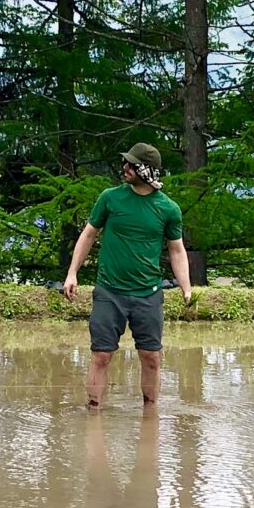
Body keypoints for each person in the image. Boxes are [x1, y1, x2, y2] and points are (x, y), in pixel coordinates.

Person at [63, 141, 194, 410]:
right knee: (101, 355)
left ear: (146, 170)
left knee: (151, 357)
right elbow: (88, 234)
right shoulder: (110, 198)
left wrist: (186, 287)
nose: (125, 168)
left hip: (148, 293)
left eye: (131, 165)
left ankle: (150, 415)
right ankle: (94, 411)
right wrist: (72, 273)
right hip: (109, 291)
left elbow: (177, 250)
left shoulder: (168, 209)